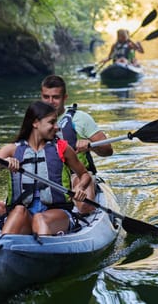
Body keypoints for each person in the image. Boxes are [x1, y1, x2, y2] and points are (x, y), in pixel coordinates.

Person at [0, 101, 91, 235]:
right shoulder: (12, 149)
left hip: (57, 213)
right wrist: (3, 162)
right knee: (18, 210)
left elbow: (84, 174)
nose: (57, 127)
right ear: (35, 123)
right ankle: (2, 247)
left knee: (40, 218)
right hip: (25, 213)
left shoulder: (63, 148)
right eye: (52, 122)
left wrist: (80, 187)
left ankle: (43, 249)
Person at [40, 75, 113, 214]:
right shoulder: (35, 121)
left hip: (78, 175)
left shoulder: (81, 118)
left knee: (84, 207)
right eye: (46, 97)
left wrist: (91, 145)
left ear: (65, 97)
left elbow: (108, 150)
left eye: (55, 97)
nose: (50, 102)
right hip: (46, 176)